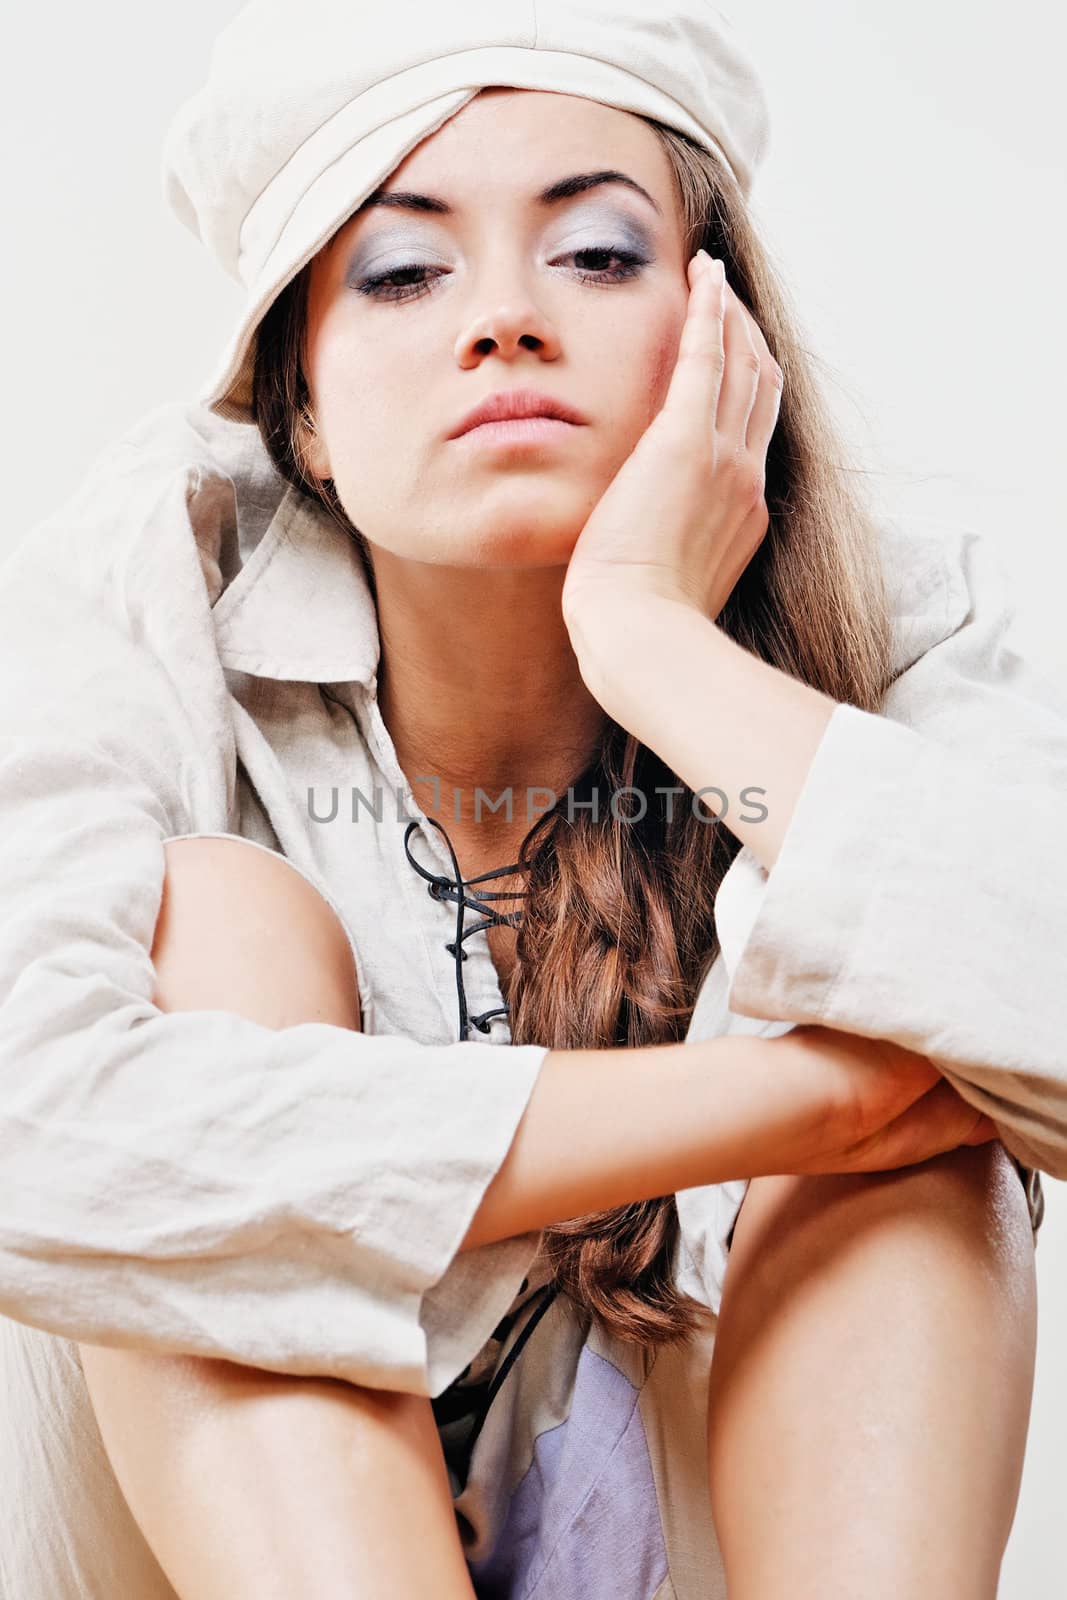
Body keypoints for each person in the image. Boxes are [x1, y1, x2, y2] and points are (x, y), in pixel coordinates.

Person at [0, 2, 1063, 1595]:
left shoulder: (909, 633)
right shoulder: (138, 587)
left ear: (726, 340)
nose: (502, 320)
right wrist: (815, 1097)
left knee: (908, 964)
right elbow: (38, 1131)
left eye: (597, 255)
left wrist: (649, 637)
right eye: (406, 271)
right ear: (300, 403)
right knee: (214, 921)